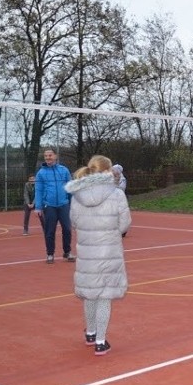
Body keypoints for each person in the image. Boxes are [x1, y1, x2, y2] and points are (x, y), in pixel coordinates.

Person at [65, 155, 131, 356]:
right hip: (108, 250)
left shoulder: (78, 194)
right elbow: (124, 223)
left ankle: (91, 333)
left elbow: (73, 222)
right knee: (104, 296)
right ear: (106, 171)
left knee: (90, 293)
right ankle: (101, 341)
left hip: (87, 251)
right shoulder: (117, 194)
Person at [34, 148, 75, 264]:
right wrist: (38, 207)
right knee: (49, 231)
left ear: (55, 156)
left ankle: (67, 252)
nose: (48, 158)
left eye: (50, 155)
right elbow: (39, 191)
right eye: (46, 156)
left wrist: (72, 203)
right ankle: (50, 254)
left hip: (64, 205)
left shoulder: (64, 170)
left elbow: (70, 187)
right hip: (49, 206)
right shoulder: (41, 173)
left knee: (67, 229)